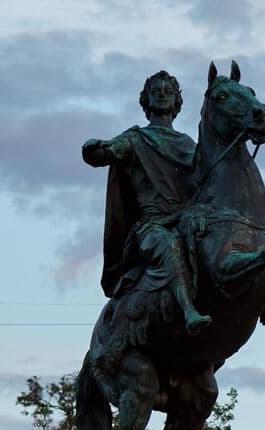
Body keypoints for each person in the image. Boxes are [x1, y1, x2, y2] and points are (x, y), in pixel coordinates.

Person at [83, 71, 212, 335]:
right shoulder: (135, 139)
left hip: (185, 221)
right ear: (146, 100)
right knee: (168, 246)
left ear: (177, 101)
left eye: (168, 91)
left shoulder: (188, 144)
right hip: (152, 227)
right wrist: (93, 148)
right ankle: (188, 311)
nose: (162, 93)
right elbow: (103, 154)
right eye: (156, 90)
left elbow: (206, 181)